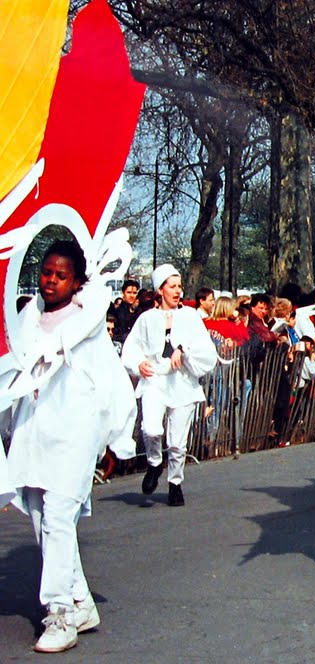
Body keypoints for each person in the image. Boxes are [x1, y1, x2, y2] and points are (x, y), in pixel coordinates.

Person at [2, 240, 137, 653]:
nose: (51, 282)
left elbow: (106, 378)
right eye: (46, 273)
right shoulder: (27, 317)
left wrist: (113, 434)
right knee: (43, 517)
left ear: (77, 281)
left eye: (61, 276)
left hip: (73, 432)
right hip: (35, 432)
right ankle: (81, 601)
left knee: (59, 515)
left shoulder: (89, 320)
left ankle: (59, 612)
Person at [121, 264, 218, 506]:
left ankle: (175, 482)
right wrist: (139, 363)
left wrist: (183, 351)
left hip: (182, 382)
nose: (177, 291)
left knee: (177, 441)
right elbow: (132, 347)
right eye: (172, 286)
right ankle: (154, 463)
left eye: (179, 286)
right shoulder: (146, 318)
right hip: (155, 379)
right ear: (160, 290)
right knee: (151, 429)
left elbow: (206, 350)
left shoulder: (190, 316)